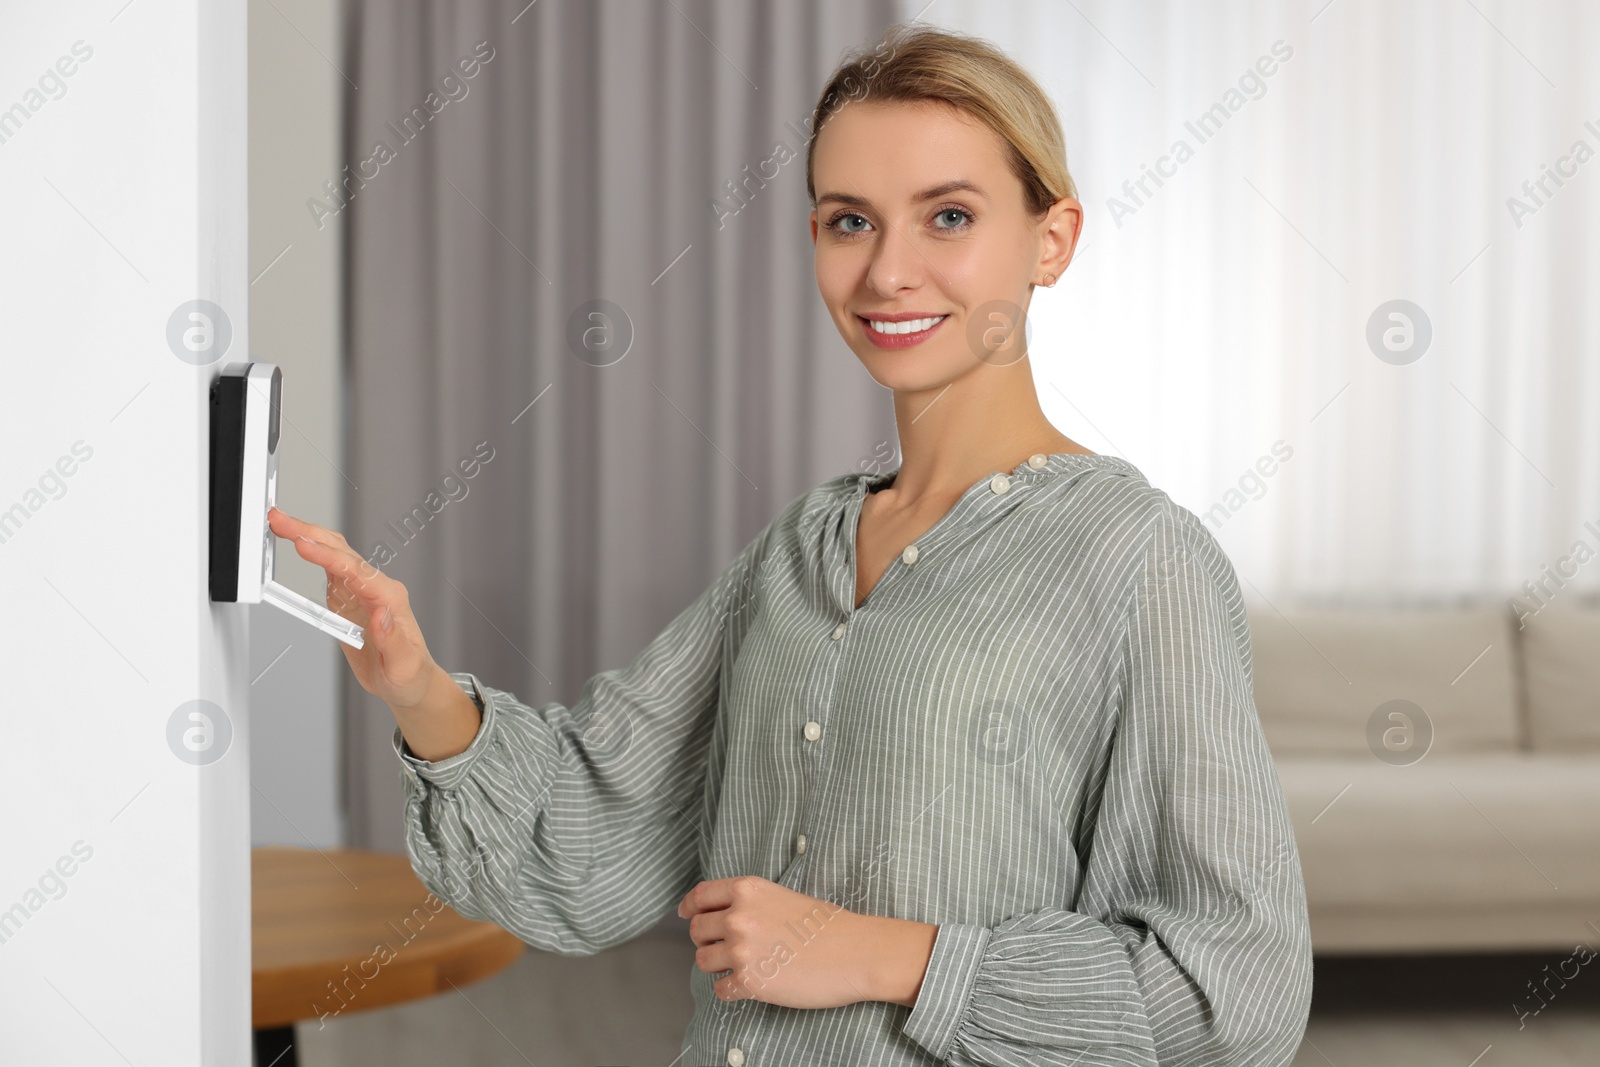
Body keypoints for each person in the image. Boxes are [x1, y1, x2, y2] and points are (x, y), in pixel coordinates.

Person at [268, 21, 1312, 1067]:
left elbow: (1233, 991)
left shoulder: (1140, 560)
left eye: (947, 215)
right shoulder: (799, 545)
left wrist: (886, 956)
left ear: (1053, 238)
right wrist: (416, 685)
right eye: (849, 220)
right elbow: (592, 847)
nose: (888, 271)